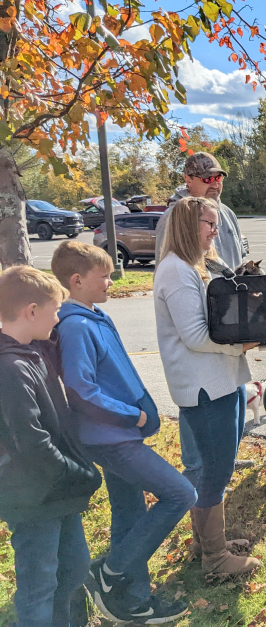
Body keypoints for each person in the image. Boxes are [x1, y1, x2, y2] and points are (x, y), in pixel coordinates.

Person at [51, 241, 196, 624]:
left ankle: (132, 600)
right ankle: (110, 571)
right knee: (181, 492)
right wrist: (132, 416)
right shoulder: (77, 326)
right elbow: (81, 390)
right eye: (105, 277)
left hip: (118, 436)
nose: (112, 282)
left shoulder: (94, 315)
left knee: (129, 513)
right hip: (110, 439)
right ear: (77, 280)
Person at [153, 196, 261, 577]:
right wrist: (241, 343)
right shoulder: (176, 271)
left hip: (221, 379)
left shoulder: (193, 267)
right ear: (186, 225)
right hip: (204, 386)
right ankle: (215, 560)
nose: (216, 231)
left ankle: (206, 543)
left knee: (217, 468)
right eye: (209, 224)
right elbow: (196, 336)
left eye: (216, 224)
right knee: (214, 471)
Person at [0, 266, 102, 627]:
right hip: (32, 496)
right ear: (30, 311)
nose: (59, 318)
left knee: (73, 568)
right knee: (39, 584)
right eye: (55, 309)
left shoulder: (32, 350)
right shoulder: (10, 368)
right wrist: (81, 475)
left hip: (57, 491)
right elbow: (32, 443)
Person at [155, 151, 255, 490]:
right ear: (189, 179)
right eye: (207, 177)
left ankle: (222, 459)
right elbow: (177, 283)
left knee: (228, 411)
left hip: (226, 335)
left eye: (219, 177)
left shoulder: (225, 214)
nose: (216, 183)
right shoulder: (175, 218)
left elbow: (234, 263)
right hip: (203, 348)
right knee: (202, 423)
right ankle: (199, 467)